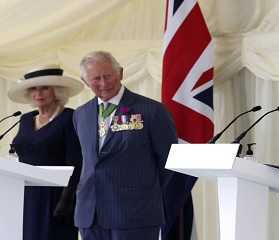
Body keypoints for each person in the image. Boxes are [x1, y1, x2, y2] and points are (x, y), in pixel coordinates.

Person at [73, 51, 177, 240]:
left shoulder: (151, 110)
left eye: (108, 76)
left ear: (120, 73)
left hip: (135, 214)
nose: (104, 84)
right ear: (85, 81)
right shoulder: (80, 114)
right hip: (90, 214)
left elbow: (169, 162)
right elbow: (87, 160)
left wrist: (142, 191)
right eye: (96, 79)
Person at [8, 65, 84, 240]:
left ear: (57, 91)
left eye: (44, 88)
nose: (38, 94)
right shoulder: (25, 119)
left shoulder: (70, 118)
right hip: (26, 194)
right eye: (33, 89)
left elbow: (77, 162)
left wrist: (67, 200)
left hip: (57, 197)